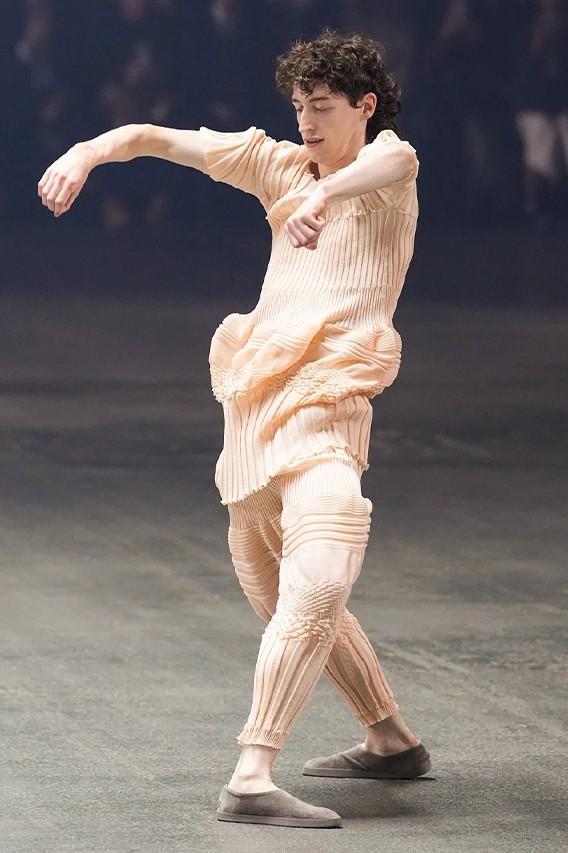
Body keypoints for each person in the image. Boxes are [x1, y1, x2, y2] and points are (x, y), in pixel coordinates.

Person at [37, 26, 431, 830]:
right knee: (278, 590)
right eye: (299, 106)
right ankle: (390, 737)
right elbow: (154, 137)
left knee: (319, 578)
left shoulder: (386, 172)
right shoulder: (278, 165)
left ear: (364, 106)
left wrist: (326, 195)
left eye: (323, 107)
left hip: (327, 405)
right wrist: (88, 150)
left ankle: (252, 772)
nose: (306, 122)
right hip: (252, 416)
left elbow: (397, 160)